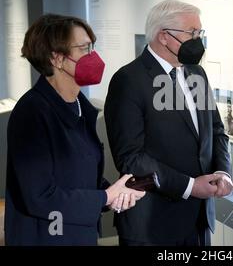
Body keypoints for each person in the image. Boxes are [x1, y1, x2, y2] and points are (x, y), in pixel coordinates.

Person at [5, 14, 145, 246]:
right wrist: (104, 196)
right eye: (84, 48)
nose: (94, 57)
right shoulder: (32, 113)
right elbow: (39, 196)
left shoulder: (79, 106)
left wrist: (112, 195)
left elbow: (77, 176)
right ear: (57, 58)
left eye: (92, 47)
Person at [104, 0, 233, 246]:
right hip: (153, 225)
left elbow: (216, 131)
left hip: (199, 220)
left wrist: (222, 172)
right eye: (192, 33)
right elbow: (131, 157)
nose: (198, 40)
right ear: (164, 36)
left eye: (200, 32)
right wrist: (190, 186)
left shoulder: (197, 73)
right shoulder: (128, 80)